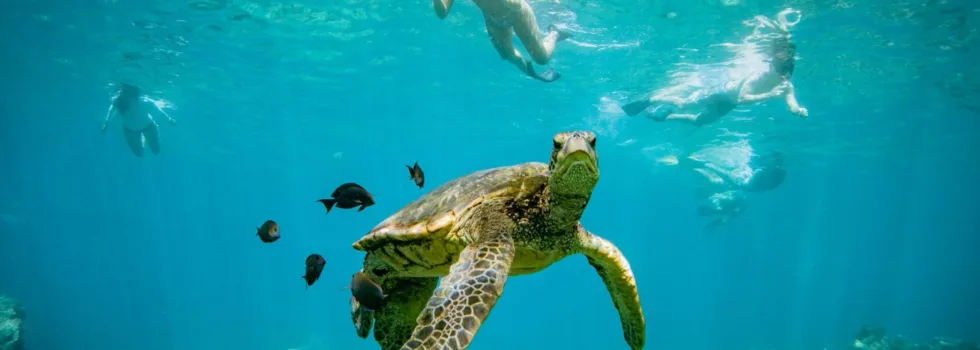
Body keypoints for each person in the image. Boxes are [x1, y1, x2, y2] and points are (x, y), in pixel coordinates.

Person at [621, 34, 808, 126]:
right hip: (721, 92)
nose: (786, 74)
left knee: (699, 122)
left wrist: (797, 109)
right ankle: (650, 100)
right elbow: (743, 98)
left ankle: (667, 116)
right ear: (775, 58)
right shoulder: (760, 74)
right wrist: (769, 94)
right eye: (784, 62)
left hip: (730, 103)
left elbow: (790, 98)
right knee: (684, 104)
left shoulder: (784, 82)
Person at [432, 0, 572, 83]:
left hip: (518, 14)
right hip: (493, 19)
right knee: (506, 55)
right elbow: (442, 13)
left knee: (542, 58)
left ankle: (554, 33)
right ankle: (530, 72)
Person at [101, 83, 177, 157]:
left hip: (148, 127)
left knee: (156, 151)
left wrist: (169, 118)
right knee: (138, 154)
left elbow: (157, 109)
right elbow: (111, 111)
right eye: (120, 91)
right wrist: (106, 123)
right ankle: (144, 139)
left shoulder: (143, 101)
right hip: (130, 130)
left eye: (123, 91)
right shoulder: (117, 102)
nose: (120, 93)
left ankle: (145, 139)